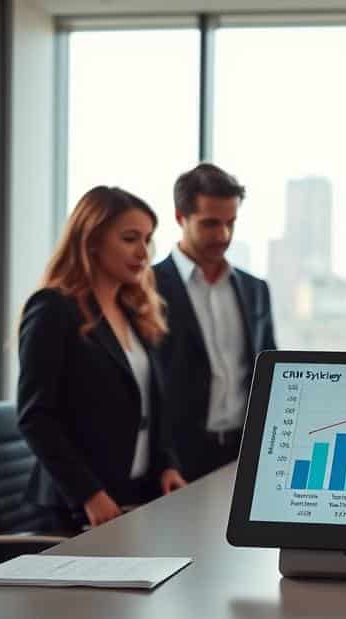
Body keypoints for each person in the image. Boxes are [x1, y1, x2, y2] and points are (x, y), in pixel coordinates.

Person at [18, 186, 187, 532]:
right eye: (129, 238)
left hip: (135, 496)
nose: (143, 252)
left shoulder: (134, 313)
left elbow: (151, 405)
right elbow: (36, 415)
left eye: (147, 239)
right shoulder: (53, 308)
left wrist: (167, 465)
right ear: (92, 239)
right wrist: (89, 493)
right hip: (77, 510)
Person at [154, 164, 277, 481]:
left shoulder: (255, 290)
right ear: (181, 217)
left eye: (230, 223)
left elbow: (268, 369)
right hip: (176, 459)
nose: (223, 235)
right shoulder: (147, 288)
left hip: (243, 452)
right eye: (210, 224)